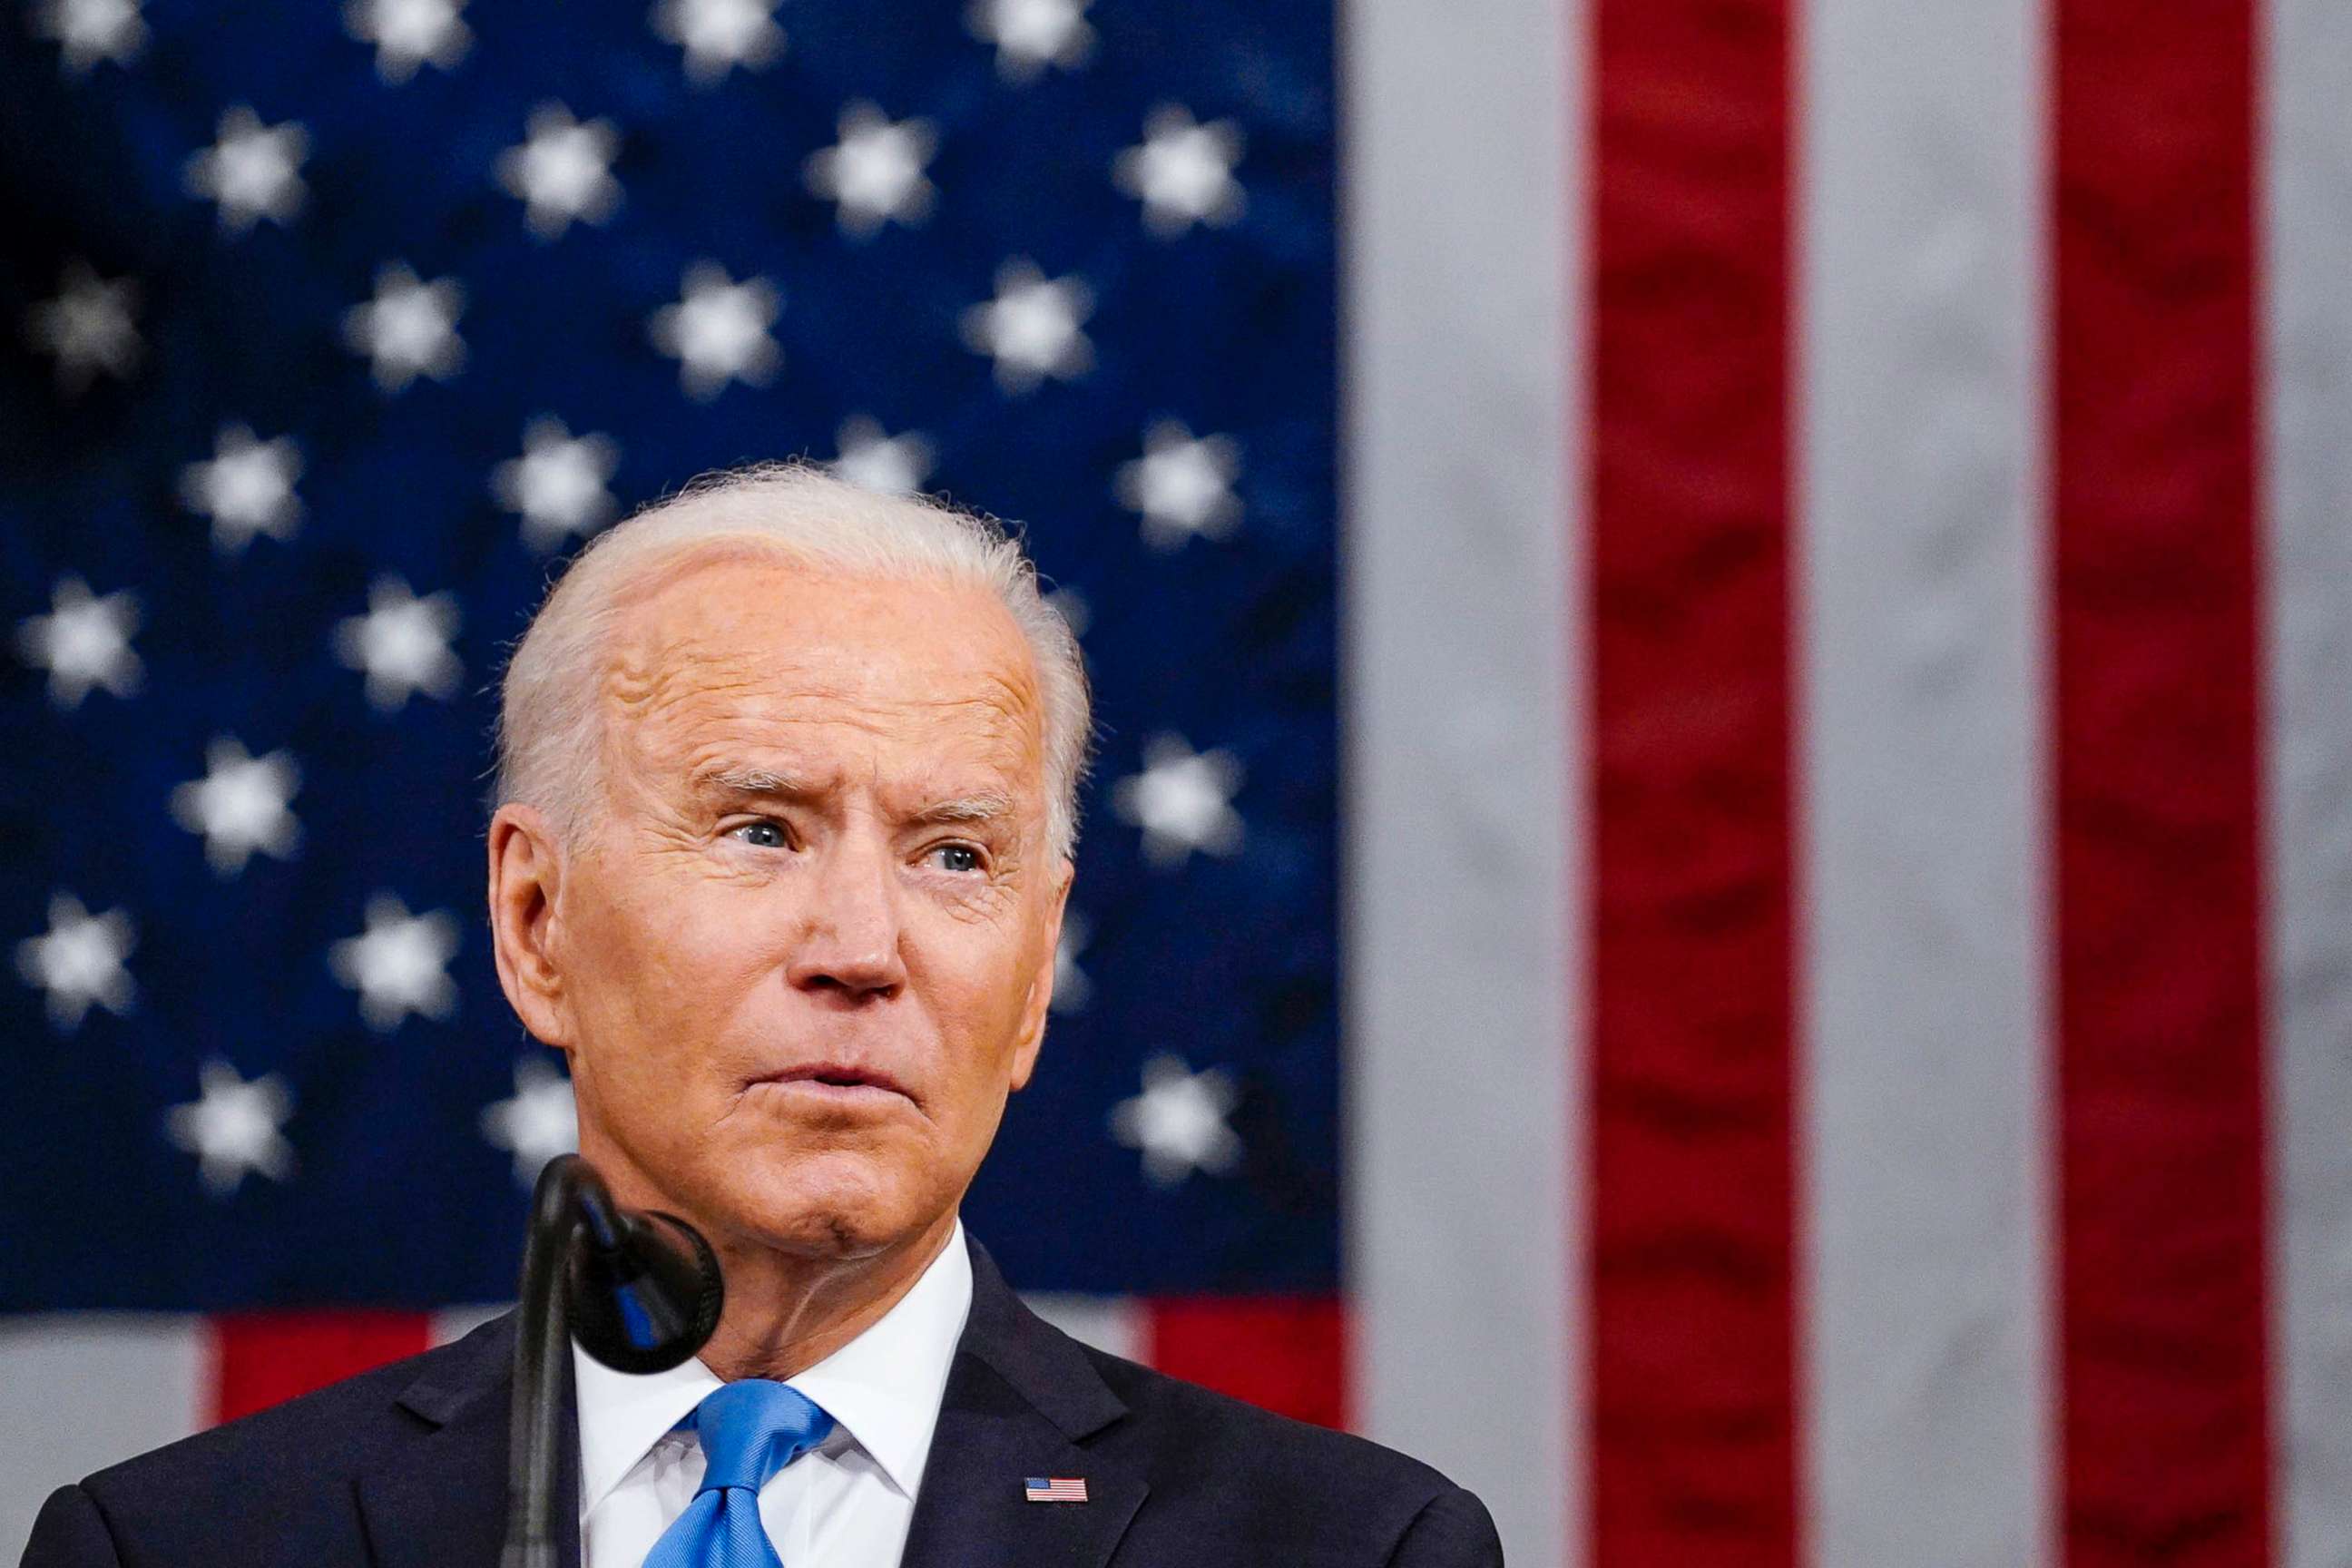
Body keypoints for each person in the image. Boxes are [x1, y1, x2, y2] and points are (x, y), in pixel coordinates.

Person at [21, 465, 1503, 1568]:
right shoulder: (171, 1550)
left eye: (953, 856)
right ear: (537, 926)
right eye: (762, 831)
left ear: (1037, 972)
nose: (863, 948)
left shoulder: (1352, 1552)